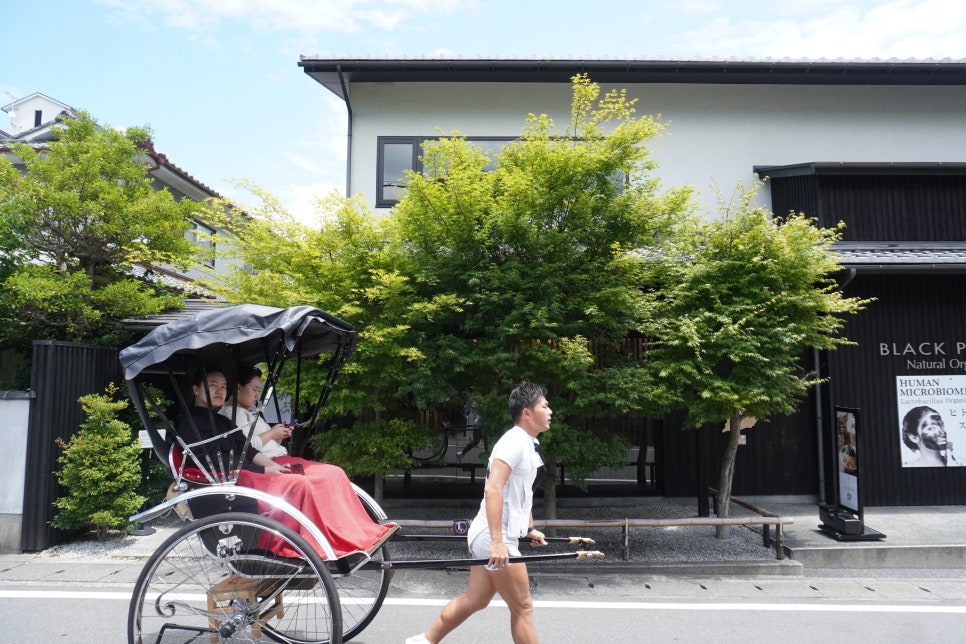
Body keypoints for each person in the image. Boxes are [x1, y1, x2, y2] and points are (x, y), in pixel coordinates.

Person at [181, 368, 397, 558]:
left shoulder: (222, 420)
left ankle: (351, 533)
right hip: (229, 477)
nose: (220, 391)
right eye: (212, 386)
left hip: (246, 468)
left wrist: (273, 467)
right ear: (196, 390)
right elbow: (217, 463)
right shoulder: (191, 424)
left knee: (327, 473)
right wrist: (266, 469)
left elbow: (248, 449)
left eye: (223, 386)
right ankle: (312, 545)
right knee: (299, 484)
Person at [407, 381, 551, 644]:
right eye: (544, 405)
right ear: (527, 413)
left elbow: (520, 494)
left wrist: (528, 529)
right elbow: (493, 490)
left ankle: (424, 641)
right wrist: (498, 542)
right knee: (523, 607)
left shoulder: (528, 444)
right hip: (494, 536)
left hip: (491, 533)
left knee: (476, 600)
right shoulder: (514, 442)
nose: (550, 410)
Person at [219, 364, 291, 458]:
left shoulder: (246, 411)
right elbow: (247, 446)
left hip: (278, 457)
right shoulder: (233, 412)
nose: (257, 395)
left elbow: (266, 445)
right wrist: (272, 433)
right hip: (270, 461)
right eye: (254, 390)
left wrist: (278, 435)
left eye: (258, 391)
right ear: (239, 388)